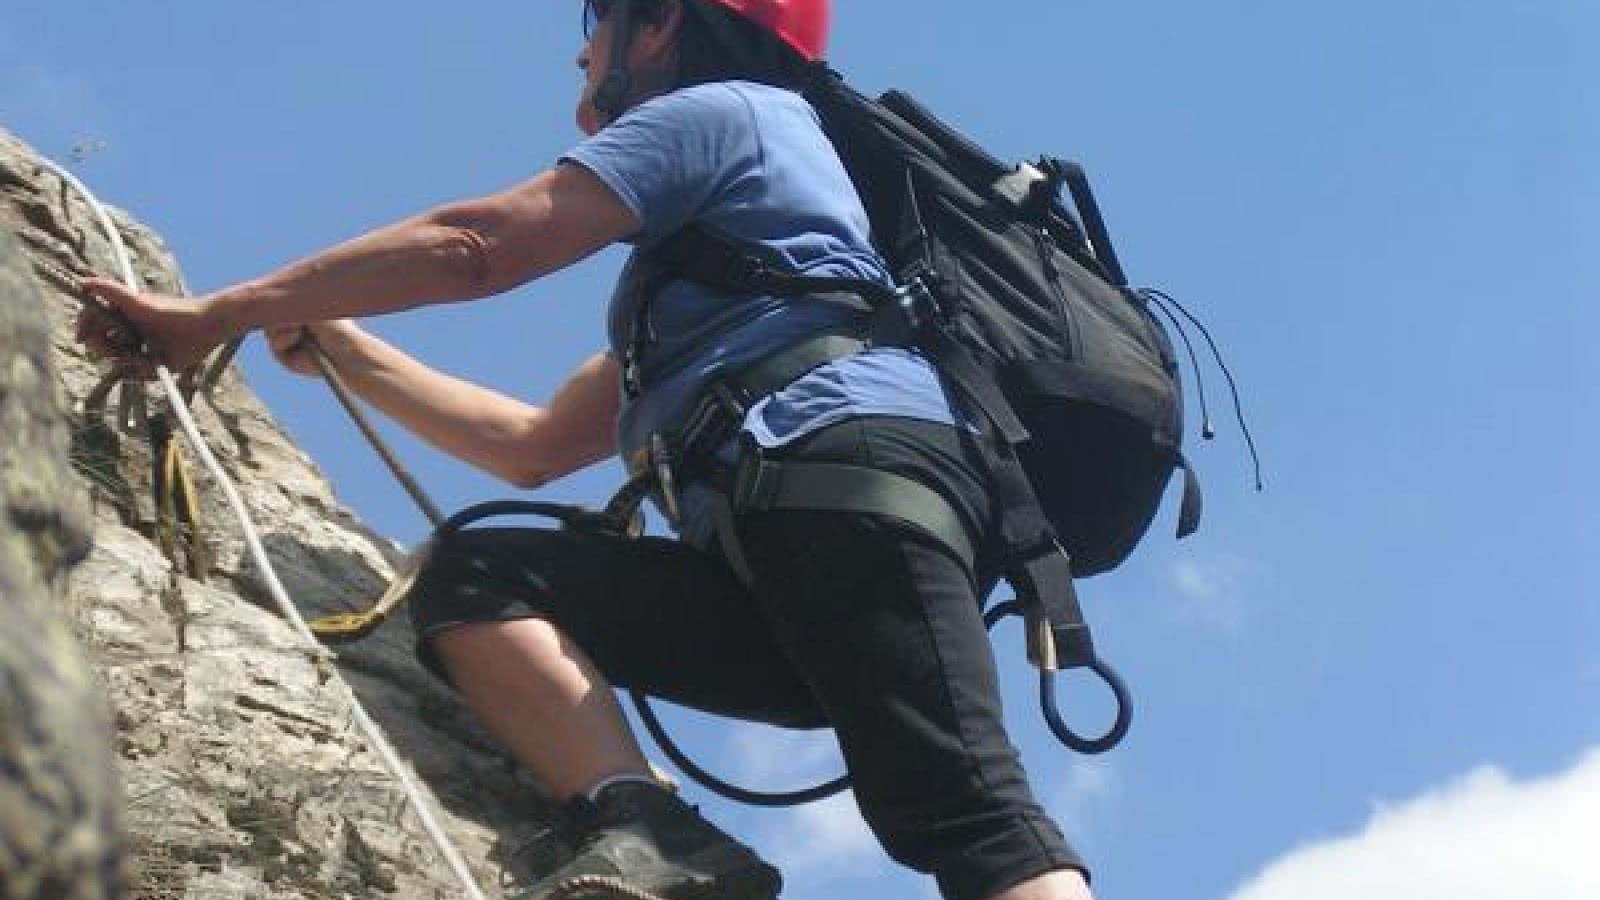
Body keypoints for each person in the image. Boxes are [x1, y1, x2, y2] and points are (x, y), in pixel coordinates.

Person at [77, 2, 1098, 898]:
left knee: (965, 809)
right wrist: (348, 349)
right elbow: (531, 449)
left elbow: (478, 245)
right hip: (784, 543)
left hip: (843, 485)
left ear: (660, 22)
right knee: (485, 575)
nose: (581, 56)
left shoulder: (722, 113)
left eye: (594, 19)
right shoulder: (724, 289)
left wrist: (220, 311)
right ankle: (647, 831)